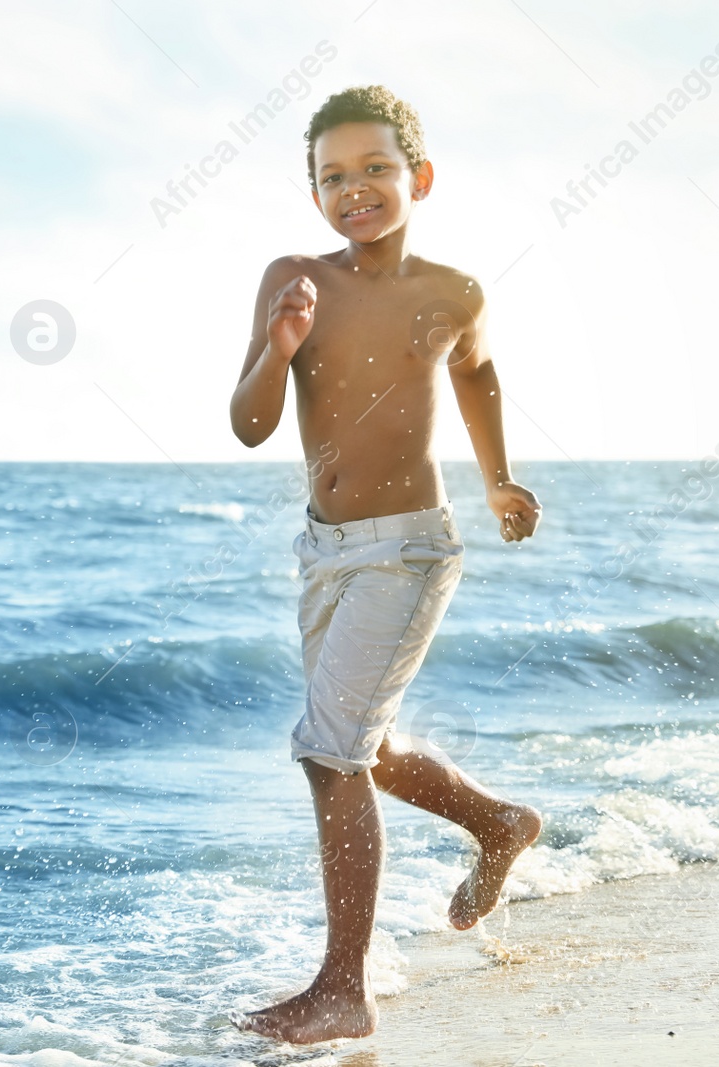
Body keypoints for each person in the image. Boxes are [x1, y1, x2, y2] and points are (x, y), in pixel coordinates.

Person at [228, 85, 544, 1044]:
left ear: (420, 178)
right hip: (324, 551)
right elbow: (248, 426)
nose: (354, 189)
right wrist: (280, 350)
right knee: (373, 748)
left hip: (410, 546)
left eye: (375, 168)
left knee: (331, 753)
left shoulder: (454, 292)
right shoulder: (294, 277)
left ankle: (341, 989)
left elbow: (477, 373)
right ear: (312, 191)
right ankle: (498, 824)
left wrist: (498, 482)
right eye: (332, 176)